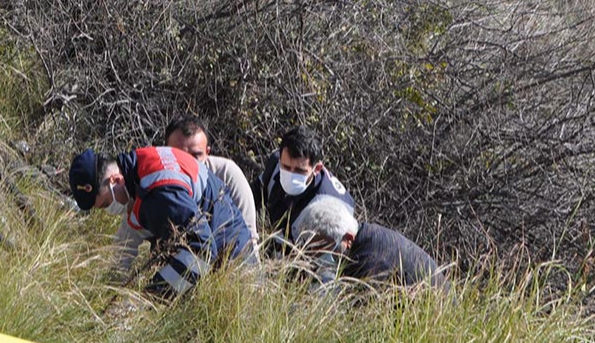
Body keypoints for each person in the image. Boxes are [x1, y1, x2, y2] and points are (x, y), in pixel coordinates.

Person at [70, 145, 253, 298]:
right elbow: (124, 248)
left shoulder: (158, 194)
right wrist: (107, 292)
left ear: (115, 180)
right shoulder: (139, 167)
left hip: (233, 261)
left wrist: (151, 297)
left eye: (106, 204)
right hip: (220, 245)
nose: (109, 210)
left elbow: (202, 250)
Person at [292, 195, 446, 289]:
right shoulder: (366, 237)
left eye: (326, 250)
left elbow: (362, 324)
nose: (320, 258)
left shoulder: (369, 263)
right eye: (314, 251)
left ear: (348, 240)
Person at [161, 115, 258, 240]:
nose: (188, 162)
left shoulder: (227, 174)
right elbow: (129, 241)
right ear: (165, 152)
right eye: (179, 155)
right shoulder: (152, 179)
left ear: (207, 152)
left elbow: (249, 234)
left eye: (196, 155)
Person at [253, 125, 354, 236]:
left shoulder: (330, 205)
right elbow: (251, 197)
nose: (291, 175)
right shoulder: (275, 164)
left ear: (317, 169)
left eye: (299, 171)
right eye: (286, 167)